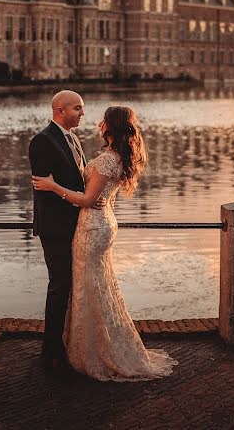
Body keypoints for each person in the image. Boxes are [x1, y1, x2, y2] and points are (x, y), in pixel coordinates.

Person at [32, 105, 177, 381]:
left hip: (93, 225)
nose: (96, 121)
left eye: (102, 119)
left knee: (90, 287)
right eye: (80, 109)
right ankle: (92, 345)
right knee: (96, 285)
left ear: (110, 126)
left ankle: (93, 351)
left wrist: (53, 187)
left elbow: (87, 200)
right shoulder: (116, 157)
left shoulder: (108, 160)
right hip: (103, 222)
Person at [28, 90, 88, 372]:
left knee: (67, 287)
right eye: (77, 108)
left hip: (76, 226)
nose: (83, 113)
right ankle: (51, 352)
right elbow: (43, 188)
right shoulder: (42, 141)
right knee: (59, 286)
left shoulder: (73, 138)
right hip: (55, 228)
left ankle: (62, 344)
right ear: (60, 110)